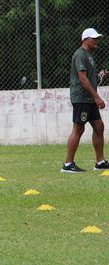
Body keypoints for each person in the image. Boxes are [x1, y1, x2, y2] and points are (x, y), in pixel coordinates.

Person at [62, 28, 109, 173]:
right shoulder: (80, 54)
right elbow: (82, 79)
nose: (96, 41)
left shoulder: (88, 55)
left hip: (89, 99)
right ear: (85, 40)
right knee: (78, 128)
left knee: (99, 126)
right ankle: (68, 165)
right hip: (82, 98)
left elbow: (87, 76)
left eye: (97, 38)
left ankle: (100, 162)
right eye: (93, 38)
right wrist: (97, 97)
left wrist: (100, 75)